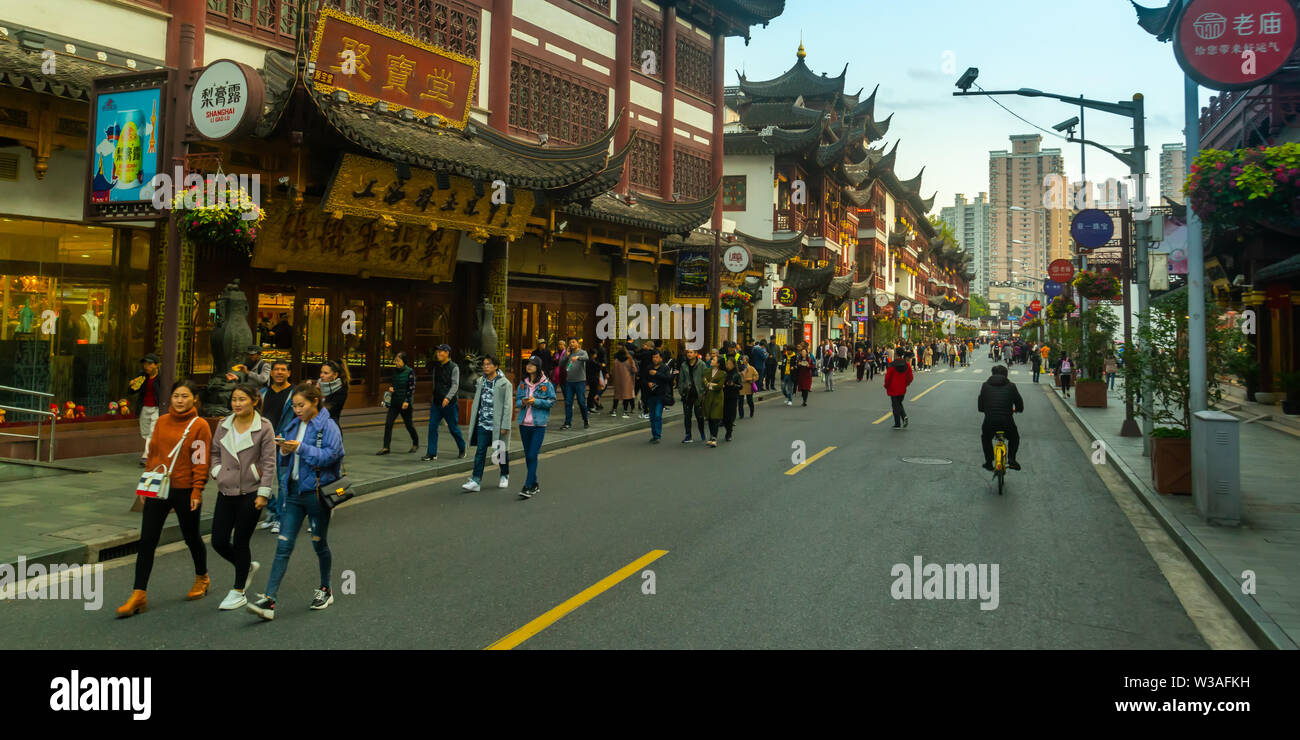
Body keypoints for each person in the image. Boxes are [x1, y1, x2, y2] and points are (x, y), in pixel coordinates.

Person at [114, 379, 213, 618]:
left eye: (185, 396)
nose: (179, 400)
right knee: (147, 540)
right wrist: (145, 487)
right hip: (159, 488)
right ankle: (139, 594)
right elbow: (153, 456)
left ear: (194, 399)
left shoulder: (200, 425)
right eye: (176, 396)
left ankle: (202, 577)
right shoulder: (161, 422)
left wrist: (197, 490)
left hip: (185, 490)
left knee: (191, 537)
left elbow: (201, 460)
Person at [247, 383, 344, 620]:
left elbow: (334, 454)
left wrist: (301, 448)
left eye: (302, 405)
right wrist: (284, 450)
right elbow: (284, 456)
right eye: (295, 405)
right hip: (293, 492)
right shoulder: (293, 424)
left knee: (319, 544)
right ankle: (269, 600)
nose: (297, 410)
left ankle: (326, 589)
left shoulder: (327, 425)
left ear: (315, 402)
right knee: (283, 545)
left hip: (316, 493)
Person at [208, 383, 276, 611]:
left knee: (240, 541)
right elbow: (215, 452)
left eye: (242, 399)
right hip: (226, 490)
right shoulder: (223, 425)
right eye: (234, 400)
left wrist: (263, 493)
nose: (236, 404)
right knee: (218, 540)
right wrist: (217, 472)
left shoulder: (264, 427)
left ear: (254, 401)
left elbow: (269, 462)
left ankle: (238, 591)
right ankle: (245, 567)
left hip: (251, 492)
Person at [463, 355, 512, 491]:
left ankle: (504, 474)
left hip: (497, 424)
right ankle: (476, 480)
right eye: (484, 364)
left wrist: (505, 425)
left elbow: (508, 406)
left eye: (489, 364)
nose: (485, 366)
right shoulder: (480, 381)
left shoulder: (504, 383)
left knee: (500, 451)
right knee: (480, 452)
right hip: (483, 423)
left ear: (496, 367)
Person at [258, 360, 295, 533]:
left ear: (289, 373)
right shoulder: (263, 393)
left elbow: (298, 419)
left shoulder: (294, 394)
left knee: (283, 482)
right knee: (257, 478)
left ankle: (281, 517)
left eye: (283, 369)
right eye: (276, 369)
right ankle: (272, 510)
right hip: (263, 442)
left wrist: (287, 437)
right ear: (271, 373)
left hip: (283, 444)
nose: (279, 372)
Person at [514, 357, 556, 498]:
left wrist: (535, 401)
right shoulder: (523, 383)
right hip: (524, 424)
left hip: (539, 424)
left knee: (532, 454)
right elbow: (518, 402)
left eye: (532, 364)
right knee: (528, 456)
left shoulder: (546, 384)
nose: (529, 366)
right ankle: (535, 483)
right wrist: (524, 402)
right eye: (527, 364)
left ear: (538, 367)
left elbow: (551, 401)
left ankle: (527, 486)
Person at [422, 345, 466, 462]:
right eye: (438, 352)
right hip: (436, 403)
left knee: (453, 428)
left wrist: (448, 398)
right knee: (432, 426)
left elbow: (455, 385)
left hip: (450, 404)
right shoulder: (436, 367)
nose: (438, 354)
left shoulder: (454, 367)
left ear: (447, 353)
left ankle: (462, 448)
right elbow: (434, 383)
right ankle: (431, 453)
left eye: (441, 352)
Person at [978, 364, 1024, 471]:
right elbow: (1020, 405)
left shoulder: (985, 385)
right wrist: (1016, 410)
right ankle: (1012, 459)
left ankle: (989, 462)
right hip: (1007, 421)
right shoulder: (1011, 386)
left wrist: (988, 409)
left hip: (990, 421)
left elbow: (980, 407)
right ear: (1006, 375)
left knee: (986, 438)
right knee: (1014, 437)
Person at [127, 353, 164, 467]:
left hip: (157, 408)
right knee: (145, 433)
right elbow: (132, 391)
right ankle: (155, 452)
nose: (146, 366)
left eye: (149, 364)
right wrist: (132, 385)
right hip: (144, 407)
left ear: (156, 365)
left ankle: (146, 456)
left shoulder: (161, 377)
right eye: (145, 364)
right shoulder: (142, 376)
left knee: (152, 432)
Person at [378, 351, 418, 455]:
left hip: (405, 403)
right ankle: (386, 447)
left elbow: (411, 388)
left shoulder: (410, 371)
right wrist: (391, 388)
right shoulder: (395, 371)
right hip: (394, 402)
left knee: (409, 424)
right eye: (395, 360)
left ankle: (415, 443)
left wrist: (407, 401)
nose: (396, 362)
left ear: (404, 361)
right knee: (388, 424)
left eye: (398, 360)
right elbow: (394, 382)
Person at [676, 347, 708, 443]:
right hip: (687, 394)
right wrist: (681, 391)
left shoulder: (701, 364)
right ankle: (688, 435)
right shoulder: (684, 365)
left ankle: (702, 431)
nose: (689, 354)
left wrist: (703, 392)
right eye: (688, 352)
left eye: (691, 352)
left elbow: (705, 378)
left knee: (699, 416)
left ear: (695, 354)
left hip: (698, 394)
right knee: (687, 416)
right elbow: (680, 379)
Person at [560, 337, 590, 430]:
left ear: (577, 343)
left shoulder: (582, 352)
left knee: (581, 402)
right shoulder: (568, 354)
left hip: (580, 381)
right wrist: (566, 355)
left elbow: (587, 358)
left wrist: (578, 357)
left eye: (573, 342)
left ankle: (586, 420)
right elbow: (561, 364)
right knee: (568, 402)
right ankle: (567, 423)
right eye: (570, 342)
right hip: (569, 382)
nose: (571, 344)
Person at [883, 349, 914, 429]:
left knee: (895, 405)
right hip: (902, 388)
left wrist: (886, 385)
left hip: (893, 388)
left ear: (896, 354)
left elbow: (888, 377)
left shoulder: (892, 365)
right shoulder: (907, 365)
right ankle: (903, 418)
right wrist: (906, 384)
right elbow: (910, 377)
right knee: (899, 404)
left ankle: (899, 421)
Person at [645, 351, 671, 443]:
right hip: (651, 395)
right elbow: (644, 379)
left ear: (661, 358)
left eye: (656, 357)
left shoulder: (665, 368)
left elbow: (668, 378)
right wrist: (648, 383)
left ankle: (658, 435)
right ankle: (654, 435)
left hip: (661, 395)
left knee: (657, 415)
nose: (654, 359)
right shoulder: (649, 367)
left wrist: (656, 374)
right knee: (652, 416)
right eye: (653, 357)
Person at [702, 354, 727, 447]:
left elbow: (720, 385)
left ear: (718, 364)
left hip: (717, 397)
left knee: (715, 417)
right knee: (709, 417)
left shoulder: (722, 373)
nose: (711, 361)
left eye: (714, 360)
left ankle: (714, 438)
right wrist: (711, 384)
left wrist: (710, 385)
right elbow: (703, 381)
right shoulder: (707, 371)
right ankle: (711, 436)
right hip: (708, 396)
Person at [318, 359, 349, 425]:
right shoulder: (318, 387)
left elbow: (327, 411)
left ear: (335, 375)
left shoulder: (340, 390)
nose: (321, 375)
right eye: (321, 372)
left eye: (326, 373)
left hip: (330, 427)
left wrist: (319, 395)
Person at [610, 348, 638, 417]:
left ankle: (614, 410)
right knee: (626, 396)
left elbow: (613, 371)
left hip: (618, 382)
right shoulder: (629, 360)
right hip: (627, 381)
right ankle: (625, 411)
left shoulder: (616, 361)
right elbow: (634, 370)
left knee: (617, 396)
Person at [586, 341, 607, 413]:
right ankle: (590, 406)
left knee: (591, 392)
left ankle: (589, 406)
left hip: (590, 378)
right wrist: (602, 365)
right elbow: (598, 367)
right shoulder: (592, 361)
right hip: (594, 378)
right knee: (593, 392)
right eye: (595, 354)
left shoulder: (588, 360)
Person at [739, 354, 759, 419]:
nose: (743, 360)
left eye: (744, 359)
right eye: (742, 359)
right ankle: (741, 415)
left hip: (748, 386)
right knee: (740, 401)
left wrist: (752, 379)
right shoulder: (739, 368)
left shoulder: (751, 368)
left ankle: (751, 412)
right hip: (741, 386)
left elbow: (757, 376)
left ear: (747, 360)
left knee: (749, 400)